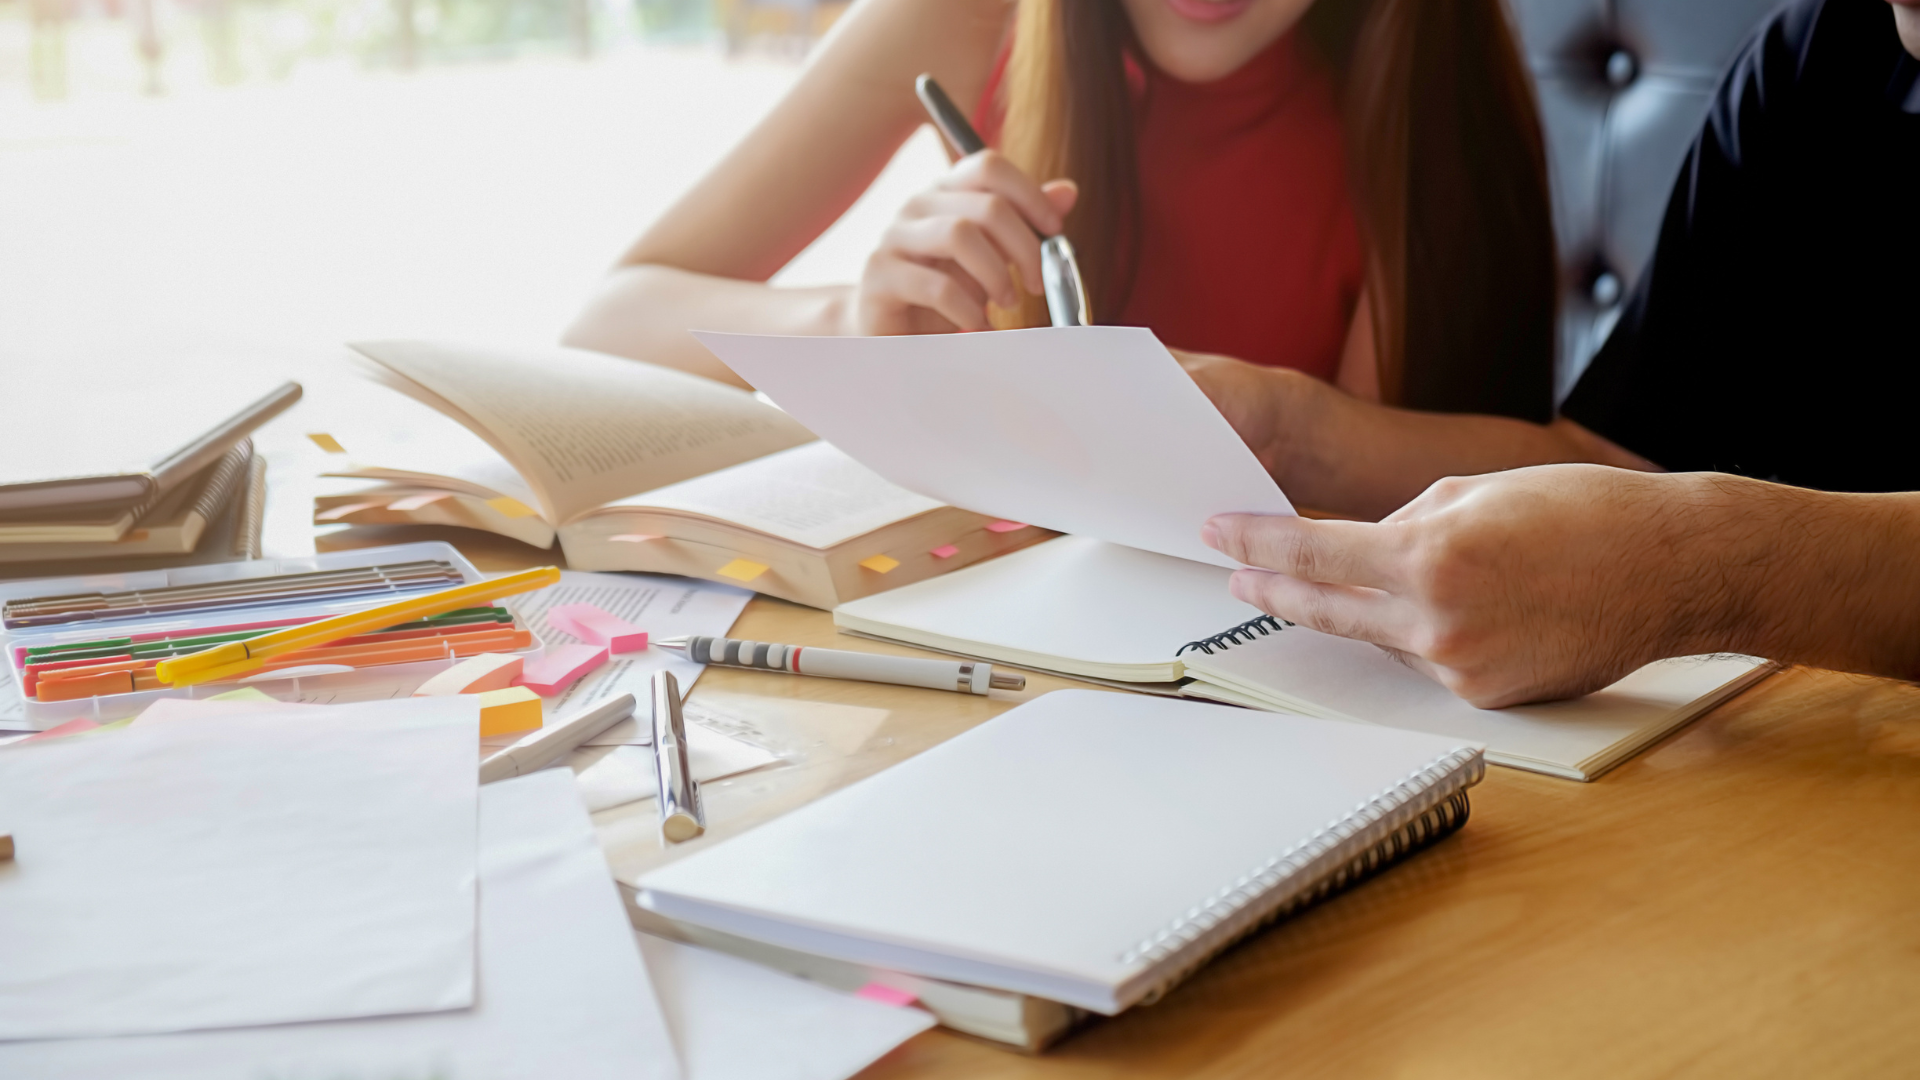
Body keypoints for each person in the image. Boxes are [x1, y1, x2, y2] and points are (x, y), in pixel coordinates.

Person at [1196, 0, 1920, 705]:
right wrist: (1289, 431)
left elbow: (1647, 522)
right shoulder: (1813, 52)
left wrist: (1688, 563)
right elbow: (1617, 459)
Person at [566, 0, 1559, 425]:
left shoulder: (1419, 101)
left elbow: (1375, 533)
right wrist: (851, 327)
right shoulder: (965, 23)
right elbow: (604, 326)